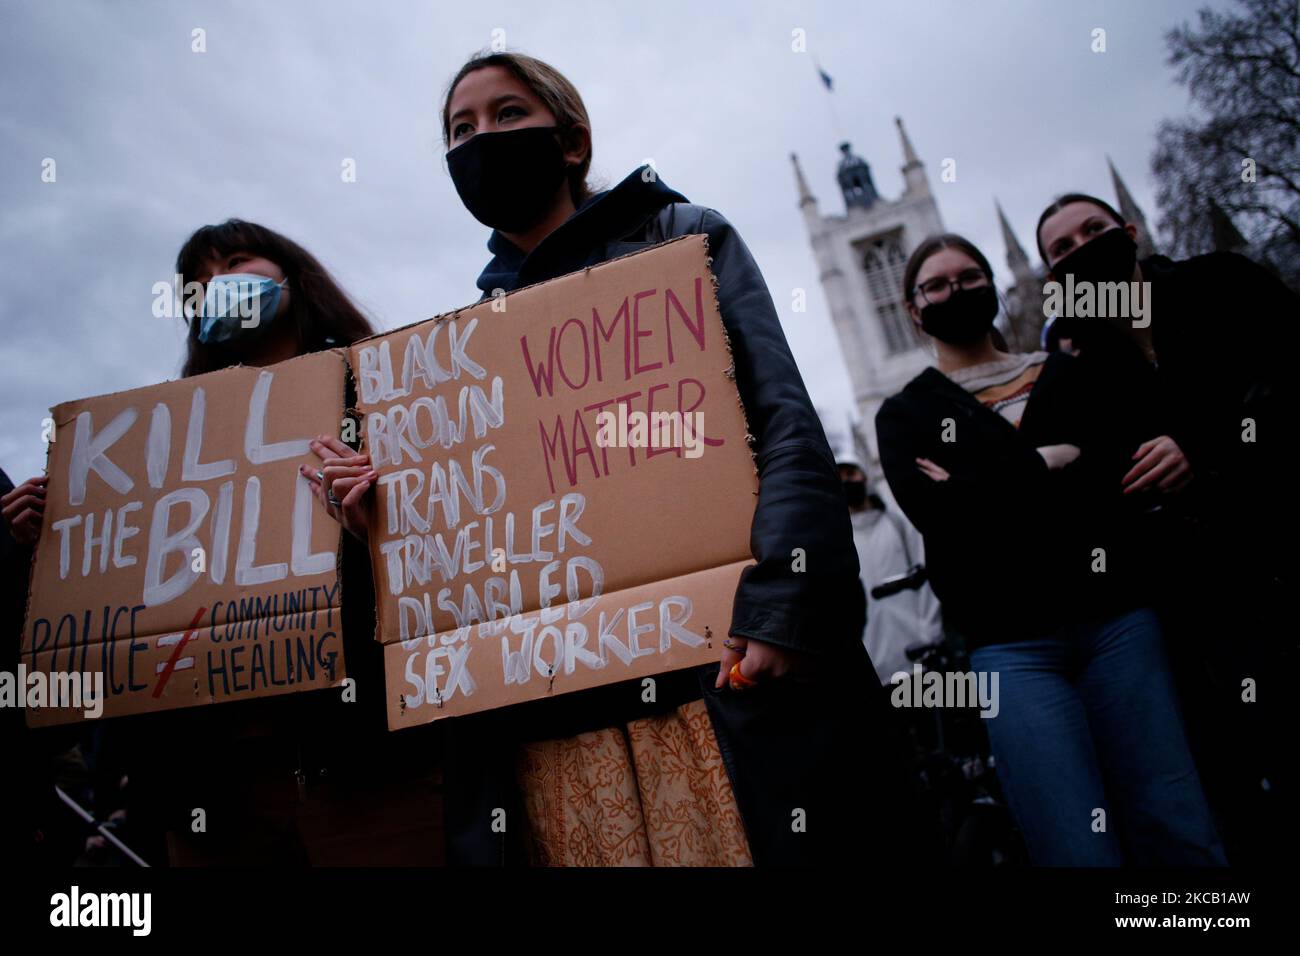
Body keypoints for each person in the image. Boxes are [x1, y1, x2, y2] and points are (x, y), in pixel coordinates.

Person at [388, 49, 921, 866]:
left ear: (571, 140)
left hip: (720, 680)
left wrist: (779, 602)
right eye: (460, 129)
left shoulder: (683, 237)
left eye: (506, 115)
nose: (481, 139)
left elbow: (782, 422)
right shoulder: (466, 348)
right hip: (567, 728)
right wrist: (389, 520)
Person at [5, 220, 444, 864]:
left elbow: (457, 552)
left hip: (369, 766)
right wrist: (45, 544)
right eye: (198, 284)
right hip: (207, 788)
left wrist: (378, 516)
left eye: (237, 263)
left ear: (294, 274)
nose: (218, 286)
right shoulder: (156, 450)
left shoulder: (392, 390)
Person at [875, 232, 1224, 866]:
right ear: (913, 308)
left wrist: (984, 482)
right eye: (938, 284)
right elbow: (944, 521)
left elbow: (1114, 485)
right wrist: (1046, 463)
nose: (958, 291)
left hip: (1118, 619)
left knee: (1175, 824)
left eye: (971, 277)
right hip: (1011, 647)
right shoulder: (906, 415)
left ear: (994, 285)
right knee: (1075, 846)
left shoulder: (1071, 372)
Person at [1038, 194, 1299, 863]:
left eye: (1093, 231)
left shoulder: (1222, 285)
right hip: (1193, 604)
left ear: (1129, 231)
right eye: (1062, 249)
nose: (1082, 249)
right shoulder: (1076, 365)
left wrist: (1205, 447)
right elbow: (1045, 475)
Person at [837, 457, 943, 684]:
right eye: (840, 476)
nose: (847, 481)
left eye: (851, 473)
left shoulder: (898, 522)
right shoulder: (837, 541)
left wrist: (929, 633)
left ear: (864, 475)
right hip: (875, 666)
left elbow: (925, 575)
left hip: (919, 656)